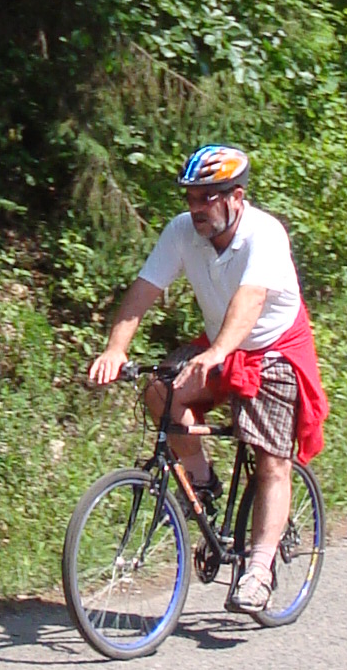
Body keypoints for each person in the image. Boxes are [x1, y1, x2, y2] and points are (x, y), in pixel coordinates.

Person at [83, 143, 327, 616]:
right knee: (160, 391)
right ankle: (203, 482)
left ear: (236, 197)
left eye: (206, 198)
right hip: (219, 344)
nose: (195, 208)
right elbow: (144, 289)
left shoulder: (265, 234)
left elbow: (250, 301)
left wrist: (216, 354)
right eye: (191, 198)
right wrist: (115, 349)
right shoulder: (183, 231)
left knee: (272, 459)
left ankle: (259, 569)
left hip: (273, 350)